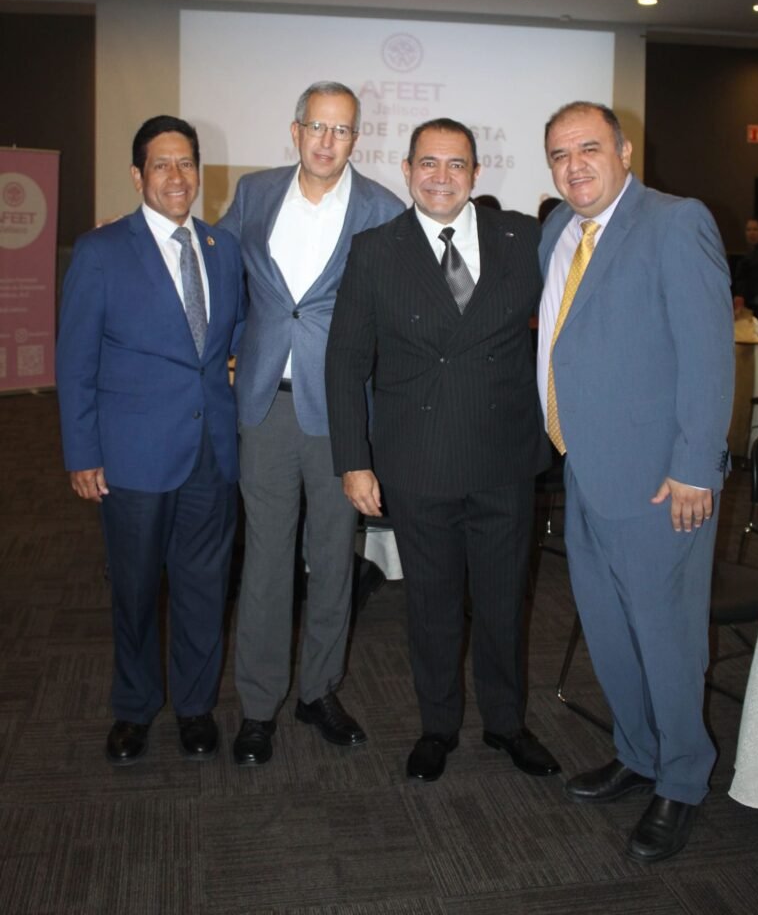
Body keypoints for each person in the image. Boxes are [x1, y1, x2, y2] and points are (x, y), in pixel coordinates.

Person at [326, 116, 560, 783]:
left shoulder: (523, 237)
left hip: (503, 458)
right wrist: (353, 459)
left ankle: (506, 724)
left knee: (502, 603)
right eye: (427, 163)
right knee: (430, 606)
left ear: (476, 174)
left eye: (456, 164)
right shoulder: (376, 249)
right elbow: (345, 361)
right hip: (418, 459)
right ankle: (437, 727)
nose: (441, 176)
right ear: (406, 171)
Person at [538, 101, 733, 863]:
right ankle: (639, 752)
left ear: (624, 151)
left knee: (666, 637)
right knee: (610, 631)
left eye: (589, 148)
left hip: (660, 483)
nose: (575, 165)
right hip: (585, 471)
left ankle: (682, 778)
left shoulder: (675, 223)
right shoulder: (558, 231)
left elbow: (708, 353)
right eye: (560, 154)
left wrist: (694, 466)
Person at [218, 81, 404, 765]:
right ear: (295, 131)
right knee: (267, 560)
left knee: (331, 558)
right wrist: (233, 345)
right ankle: (259, 705)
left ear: (357, 138)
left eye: (342, 130)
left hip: (341, 413)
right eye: (317, 127)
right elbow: (223, 274)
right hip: (265, 404)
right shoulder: (255, 193)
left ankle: (319, 691)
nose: (328, 141)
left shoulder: (383, 209)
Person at [56, 115, 246, 765]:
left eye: (186, 163)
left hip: (211, 453)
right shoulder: (101, 251)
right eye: (161, 164)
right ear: (138, 176)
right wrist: (82, 453)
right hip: (132, 457)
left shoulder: (222, 249)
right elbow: (75, 361)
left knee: (204, 587)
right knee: (135, 590)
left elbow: (233, 335)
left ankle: (195, 707)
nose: (176, 176)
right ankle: (135, 707)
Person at [732, 216, 758, 318]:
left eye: (755, 229)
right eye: (748, 230)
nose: (751, 233)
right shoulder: (750, 254)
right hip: (750, 303)